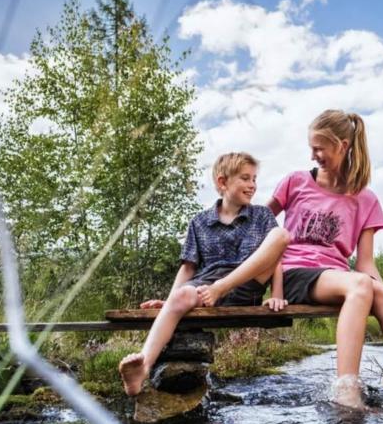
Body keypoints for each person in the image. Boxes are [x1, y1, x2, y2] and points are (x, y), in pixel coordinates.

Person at [267, 110, 383, 410]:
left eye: (319, 148)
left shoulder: (366, 199)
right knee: (360, 285)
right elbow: (257, 226)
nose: (313, 156)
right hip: (293, 273)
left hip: (339, 279)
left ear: (342, 146)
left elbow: (365, 264)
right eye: (311, 148)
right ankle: (346, 392)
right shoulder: (295, 182)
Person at [119, 152, 290, 396]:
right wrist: (171, 301)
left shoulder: (262, 215)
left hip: (248, 283)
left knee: (281, 235)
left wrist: (277, 294)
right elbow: (188, 268)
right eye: (245, 178)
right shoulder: (199, 222)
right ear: (222, 182)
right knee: (182, 296)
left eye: (254, 179)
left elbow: (275, 257)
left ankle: (221, 286)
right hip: (208, 287)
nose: (252, 185)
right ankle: (142, 368)